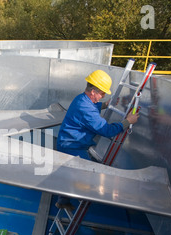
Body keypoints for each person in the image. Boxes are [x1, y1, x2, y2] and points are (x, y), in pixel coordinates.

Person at [56, 69, 139, 208]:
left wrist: (105, 105)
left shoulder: (81, 98)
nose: (103, 96)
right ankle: (82, 199)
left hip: (68, 143)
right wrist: (128, 122)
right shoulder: (86, 109)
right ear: (93, 91)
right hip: (73, 147)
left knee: (69, 175)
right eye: (102, 93)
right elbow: (107, 131)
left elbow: (93, 106)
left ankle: (62, 202)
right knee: (88, 176)